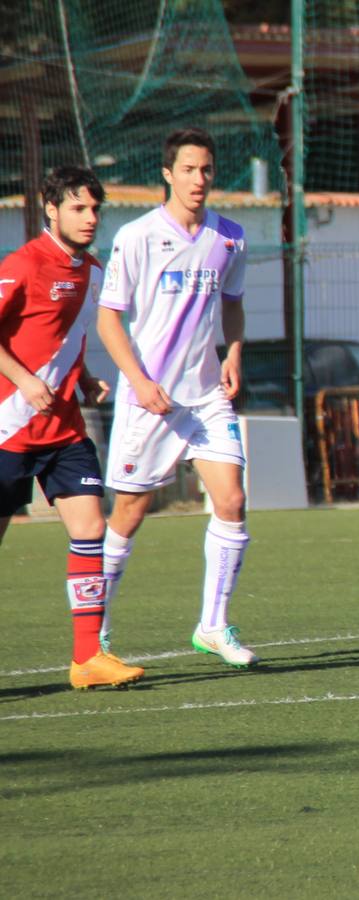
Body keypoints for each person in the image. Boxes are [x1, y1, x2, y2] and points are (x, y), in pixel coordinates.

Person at [96, 127, 258, 668]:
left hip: (206, 395)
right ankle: (95, 630)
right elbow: (108, 319)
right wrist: (140, 383)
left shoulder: (230, 236)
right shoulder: (136, 236)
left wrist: (233, 352)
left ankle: (212, 625)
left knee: (231, 502)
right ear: (167, 173)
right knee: (130, 512)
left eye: (207, 169)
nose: (199, 179)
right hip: (153, 398)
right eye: (188, 169)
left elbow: (231, 304)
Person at [0, 166, 144, 689]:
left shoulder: (94, 272)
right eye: (78, 208)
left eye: (95, 208)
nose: (90, 218)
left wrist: (83, 380)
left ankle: (88, 659)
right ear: (51, 208)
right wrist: (22, 379)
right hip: (9, 429)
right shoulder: (23, 264)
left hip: (63, 431)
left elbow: (60, 341)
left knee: (90, 532)